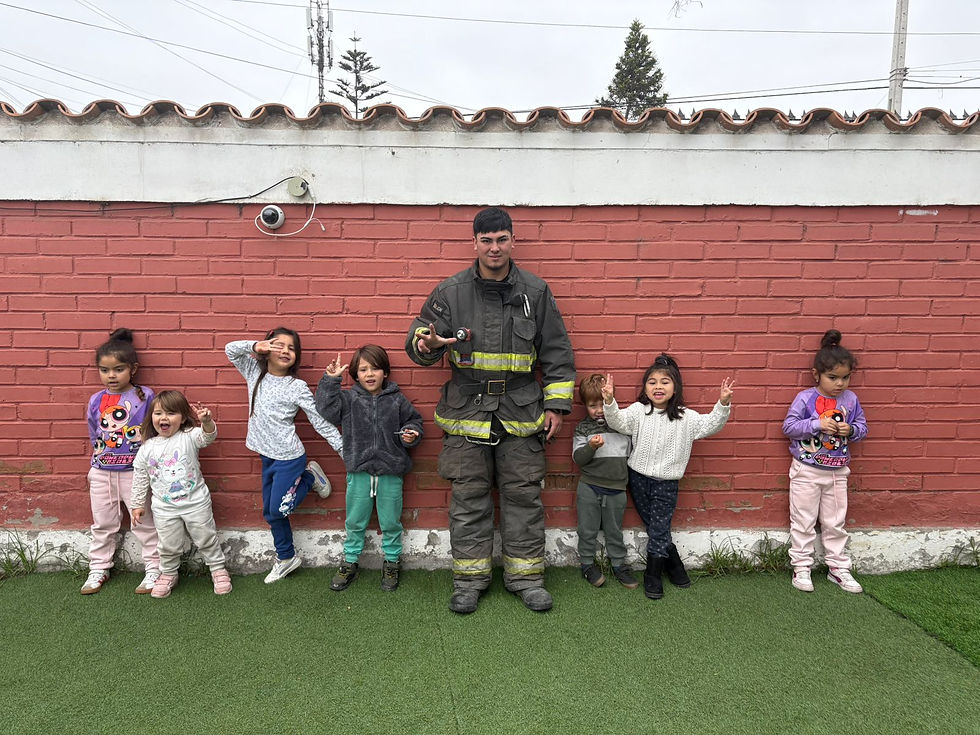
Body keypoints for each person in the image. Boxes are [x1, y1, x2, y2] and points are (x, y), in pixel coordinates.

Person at [405, 206, 576, 614]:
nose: (494, 248)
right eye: (486, 240)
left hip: (521, 411)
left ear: (512, 241)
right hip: (467, 413)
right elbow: (417, 341)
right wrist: (425, 346)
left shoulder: (536, 292)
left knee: (523, 497)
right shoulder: (450, 292)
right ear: (475, 243)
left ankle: (526, 577)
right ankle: (469, 580)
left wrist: (556, 405)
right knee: (468, 498)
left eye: (501, 240)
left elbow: (557, 354)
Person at [603, 354, 734, 600]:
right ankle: (674, 564)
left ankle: (652, 575)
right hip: (638, 477)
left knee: (659, 526)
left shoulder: (687, 417)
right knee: (656, 527)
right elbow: (618, 422)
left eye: (665, 382)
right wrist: (609, 402)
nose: (658, 387)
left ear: (675, 388)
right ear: (645, 388)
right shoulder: (638, 412)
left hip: (668, 482)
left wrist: (722, 404)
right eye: (652, 382)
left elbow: (710, 425)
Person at [226, 328, 343, 584]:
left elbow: (319, 421)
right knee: (270, 513)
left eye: (291, 348)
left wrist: (344, 448)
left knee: (279, 510)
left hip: (290, 459)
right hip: (266, 457)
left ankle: (310, 478)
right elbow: (230, 349)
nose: (285, 351)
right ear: (267, 350)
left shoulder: (296, 386)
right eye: (279, 346)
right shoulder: (254, 372)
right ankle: (286, 557)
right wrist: (256, 345)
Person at [315, 345, 423, 592]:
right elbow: (325, 409)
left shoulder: (396, 399)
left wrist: (412, 435)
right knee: (355, 520)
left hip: (390, 471)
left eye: (375, 368)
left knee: (390, 521)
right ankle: (350, 561)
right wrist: (331, 381)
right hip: (359, 471)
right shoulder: (348, 399)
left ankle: (392, 561)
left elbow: (414, 421)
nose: (370, 374)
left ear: (385, 372)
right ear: (355, 373)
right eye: (363, 369)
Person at [782, 329, 868, 594]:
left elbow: (863, 427)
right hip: (806, 470)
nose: (840, 384)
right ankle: (802, 566)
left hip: (837, 471)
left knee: (834, 522)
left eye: (845, 378)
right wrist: (817, 423)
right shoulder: (806, 398)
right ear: (816, 374)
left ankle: (838, 568)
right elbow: (789, 427)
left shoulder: (851, 400)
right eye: (833, 378)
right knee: (803, 521)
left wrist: (850, 430)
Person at [81, 328, 160, 595]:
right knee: (102, 523)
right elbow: (94, 432)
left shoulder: (144, 396)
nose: (111, 375)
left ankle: (154, 567)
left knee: (144, 522)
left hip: (134, 473)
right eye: (104, 370)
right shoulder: (96, 400)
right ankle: (99, 567)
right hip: (102, 472)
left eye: (118, 369)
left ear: (132, 369)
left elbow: (155, 427)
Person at [131, 391, 230, 598]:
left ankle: (217, 569)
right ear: (152, 418)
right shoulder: (147, 447)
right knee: (168, 544)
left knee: (206, 537)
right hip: (164, 507)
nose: (164, 418)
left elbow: (208, 436)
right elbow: (141, 476)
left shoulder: (189, 436)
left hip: (196, 502)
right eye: (158, 413)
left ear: (183, 417)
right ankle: (168, 573)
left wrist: (207, 421)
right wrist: (137, 504)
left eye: (171, 413)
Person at [572, 374, 638, 589]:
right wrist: (590, 447)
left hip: (617, 488)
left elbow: (632, 454)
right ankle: (587, 564)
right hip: (589, 486)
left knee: (614, 530)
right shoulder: (583, 429)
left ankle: (619, 564)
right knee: (587, 530)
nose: (599, 409)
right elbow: (578, 459)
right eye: (593, 405)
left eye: (603, 403)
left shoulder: (622, 427)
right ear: (585, 405)